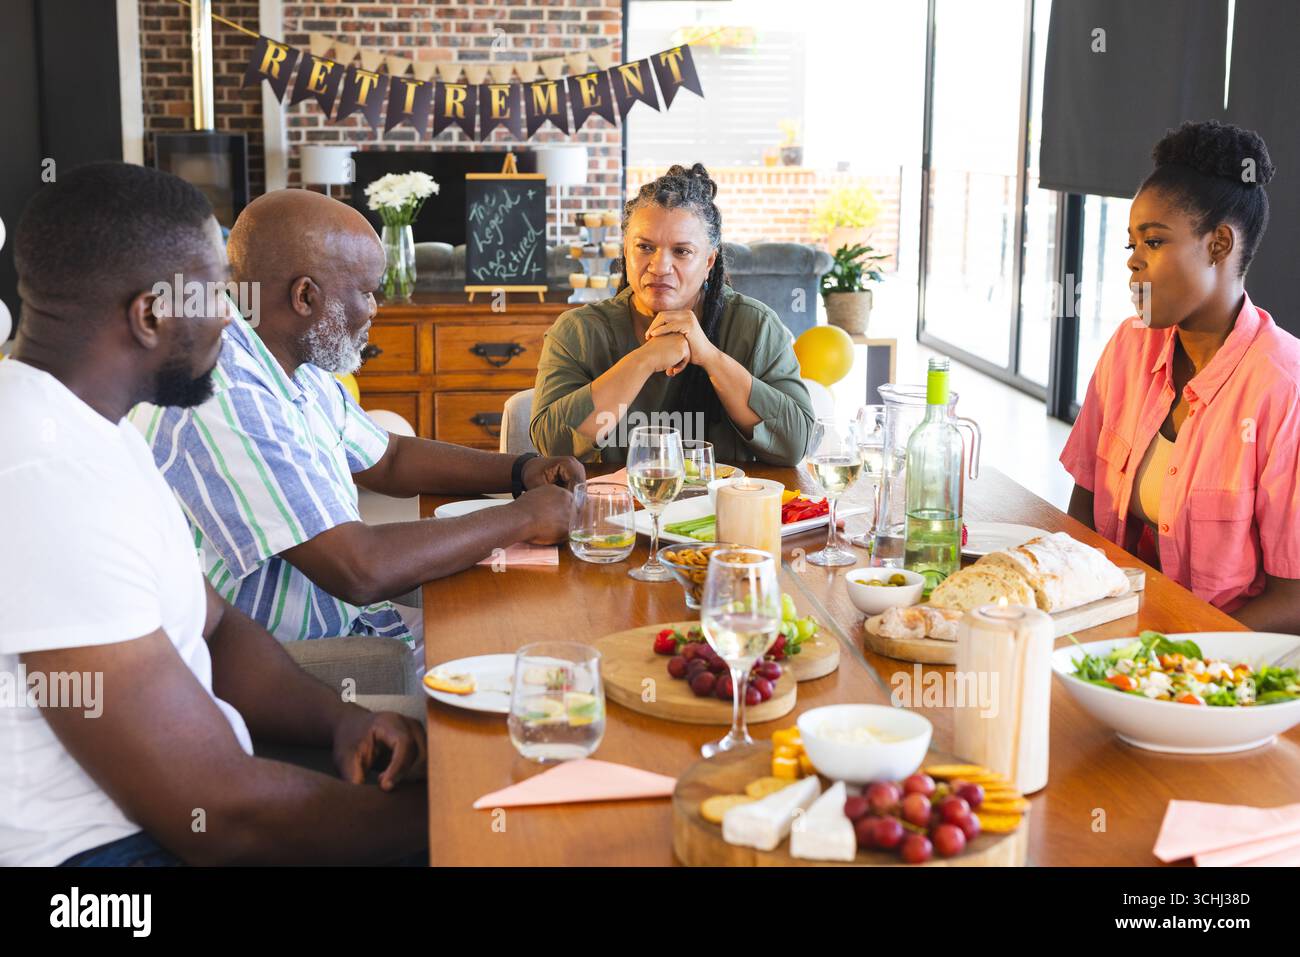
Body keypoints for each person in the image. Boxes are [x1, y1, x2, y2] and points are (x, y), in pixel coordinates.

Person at [0, 162, 427, 866]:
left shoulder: (95, 428)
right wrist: (453, 820)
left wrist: (342, 717)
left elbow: (218, 624)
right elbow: (221, 815)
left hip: (181, 810)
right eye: (216, 292)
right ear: (151, 315)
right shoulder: (48, 477)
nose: (232, 314)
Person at [130, 189, 583, 657]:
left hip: (354, 621)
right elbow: (360, 569)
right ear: (305, 296)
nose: (375, 310)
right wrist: (524, 516)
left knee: (539, 625)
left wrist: (521, 470)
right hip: (300, 660)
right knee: (537, 654)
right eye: (367, 292)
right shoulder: (228, 393)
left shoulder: (290, 360)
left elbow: (390, 458)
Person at [1061, 120, 1300, 630]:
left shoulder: (1284, 388)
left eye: (1153, 242)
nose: (1133, 264)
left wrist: (1175, 652)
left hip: (1218, 664)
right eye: (1131, 246)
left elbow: (1293, 599)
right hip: (1117, 627)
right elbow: (1083, 513)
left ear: (1218, 245)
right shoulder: (1129, 344)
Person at [530, 163, 814, 466]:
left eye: (681, 251)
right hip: (616, 509)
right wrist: (644, 359)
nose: (660, 266)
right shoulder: (578, 331)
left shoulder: (755, 326)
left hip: (723, 510)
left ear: (708, 261)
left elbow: (794, 444)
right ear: (625, 251)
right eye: (645, 247)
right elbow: (553, 447)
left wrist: (709, 356)